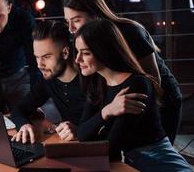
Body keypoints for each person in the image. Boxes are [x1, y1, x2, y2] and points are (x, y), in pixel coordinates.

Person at [63, 0, 182, 144]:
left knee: (157, 146)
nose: (71, 29)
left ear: (96, 15)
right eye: (67, 22)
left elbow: (153, 80)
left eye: (76, 20)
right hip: (130, 91)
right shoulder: (89, 40)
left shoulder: (130, 31)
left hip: (162, 96)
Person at [74, 19, 192, 171]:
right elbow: (82, 134)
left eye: (85, 53)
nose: (77, 59)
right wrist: (107, 111)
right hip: (132, 164)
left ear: (105, 51)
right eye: (77, 52)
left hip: (161, 163)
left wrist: (97, 127)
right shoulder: (97, 83)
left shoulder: (138, 84)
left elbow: (112, 147)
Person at [10, 20, 146, 144]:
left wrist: (79, 131)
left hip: (98, 148)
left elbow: (109, 136)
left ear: (65, 53)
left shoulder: (93, 78)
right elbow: (19, 109)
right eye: (37, 57)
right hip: (74, 144)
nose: (39, 64)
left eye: (46, 57)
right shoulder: (48, 79)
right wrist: (24, 125)